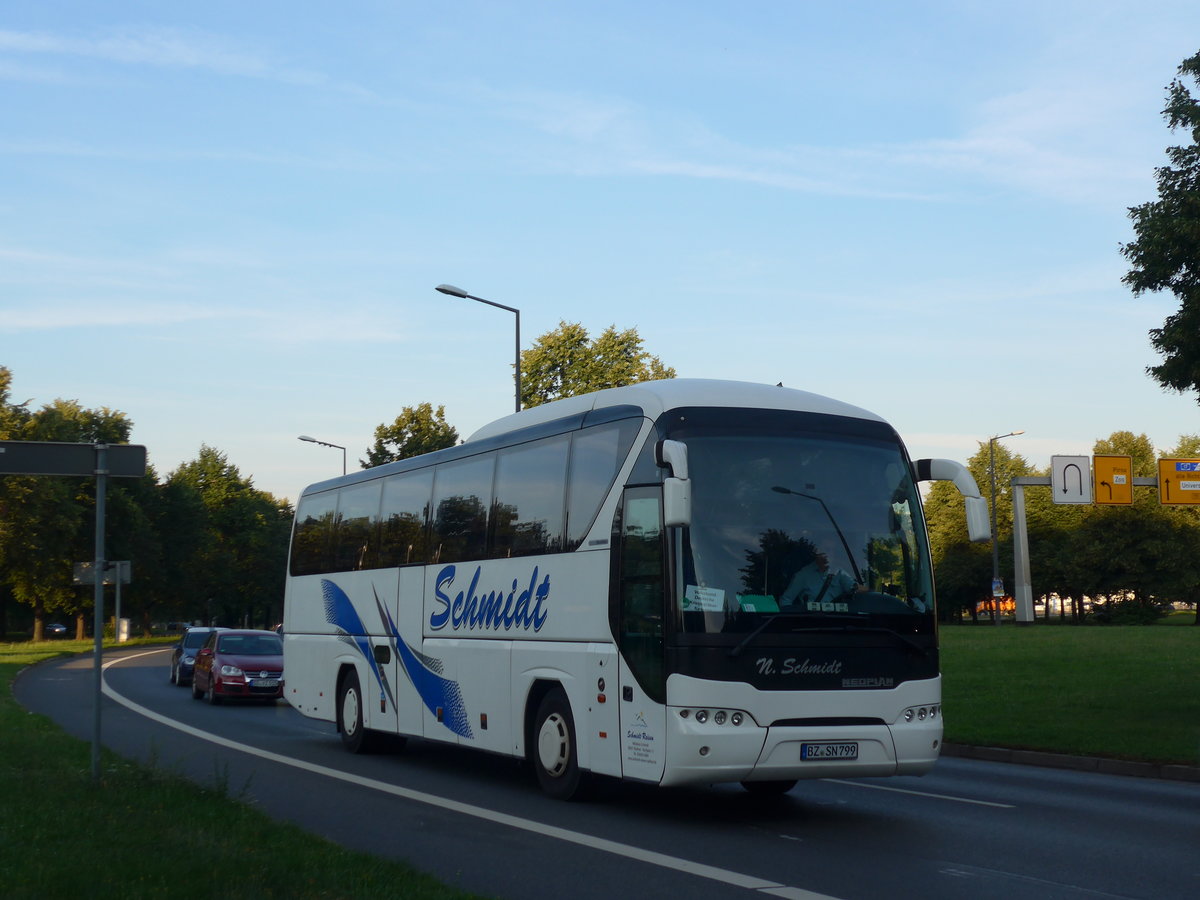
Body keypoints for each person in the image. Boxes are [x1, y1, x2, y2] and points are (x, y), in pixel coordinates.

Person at [779, 550, 860, 608]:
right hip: (811, 625)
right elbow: (786, 600)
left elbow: (855, 588)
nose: (827, 555)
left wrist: (871, 590)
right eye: (825, 550)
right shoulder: (803, 575)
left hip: (838, 623)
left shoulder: (840, 573)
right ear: (817, 552)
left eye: (831, 550)